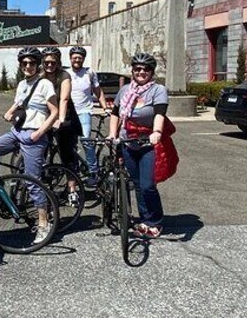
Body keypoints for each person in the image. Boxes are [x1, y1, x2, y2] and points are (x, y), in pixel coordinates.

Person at [0, 47, 59, 243]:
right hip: (17, 131)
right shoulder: (22, 84)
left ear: (37, 65)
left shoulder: (45, 83)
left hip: (34, 135)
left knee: (32, 181)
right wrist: (10, 113)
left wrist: (39, 133)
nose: (28, 66)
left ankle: (43, 223)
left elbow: (54, 111)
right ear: (20, 65)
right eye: (24, 63)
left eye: (31, 63)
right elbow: (21, 105)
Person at [107, 52, 168, 239]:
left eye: (146, 69)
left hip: (147, 142)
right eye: (137, 69)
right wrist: (112, 134)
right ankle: (145, 220)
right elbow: (115, 114)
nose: (141, 72)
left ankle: (155, 221)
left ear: (151, 72)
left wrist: (156, 132)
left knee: (148, 185)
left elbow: (159, 113)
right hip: (127, 142)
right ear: (132, 71)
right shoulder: (125, 90)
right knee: (138, 185)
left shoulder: (157, 90)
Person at [40, 46, 82, 205]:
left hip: (65, 117)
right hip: (47, 116)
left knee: (66, 155)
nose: (49, 65)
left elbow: (64, 99)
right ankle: (41, 187)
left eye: (53, 62)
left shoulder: (64, 75)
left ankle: (72, 189)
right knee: (41, 151)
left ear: (58, 62)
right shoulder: (41, 76)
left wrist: (61, 119)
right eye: (46, 62)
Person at [66, 45, 107, 184]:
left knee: (86, 140)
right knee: (68, 144)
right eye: (74, 57)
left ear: (83, 59)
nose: (77, 60)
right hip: (69, 113)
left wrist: (105, 107)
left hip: (84, 111)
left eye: (79, 57)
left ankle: (93, 172)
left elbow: (98, 91)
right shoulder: (65, 74)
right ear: (70, 59)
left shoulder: (89, 73)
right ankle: (73, 171)